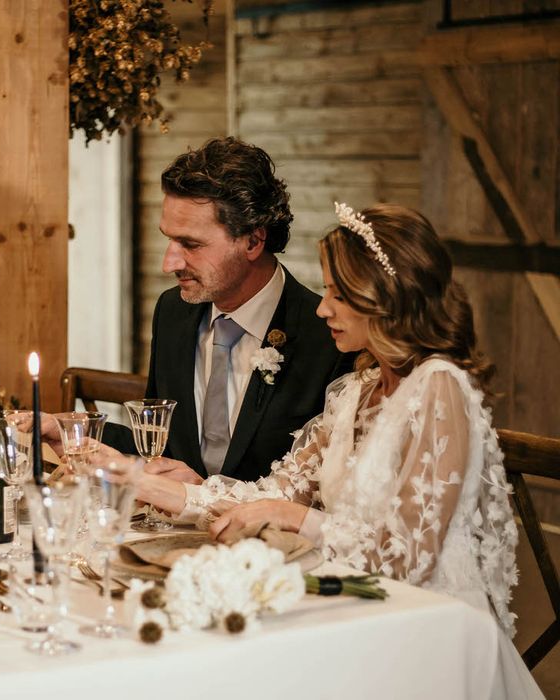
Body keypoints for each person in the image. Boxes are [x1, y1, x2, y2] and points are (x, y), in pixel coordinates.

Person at [131, 202, 543, 699]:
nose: (322, 307)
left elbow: (409, 560)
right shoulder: (356, 391)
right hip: (357, 614)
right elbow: (270, 494)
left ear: (387, 298)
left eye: (338, 293)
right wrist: (150, 486)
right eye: (326, 290)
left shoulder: (439, 389)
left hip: (428, 637)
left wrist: (291, 517)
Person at [40, 137, 351, 483]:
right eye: (168, 239)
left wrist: (203, 496)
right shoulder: (173, 312)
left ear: (252, 240)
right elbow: (163, 452)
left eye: (190, 244)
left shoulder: (329, 336)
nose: (168, 263)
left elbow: (327, 489)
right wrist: (73, 433)